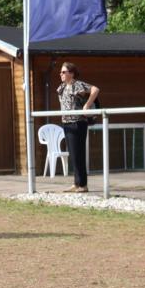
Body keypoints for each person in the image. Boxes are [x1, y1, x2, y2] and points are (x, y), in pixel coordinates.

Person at [56, 62, 99, 193]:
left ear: (71, 73)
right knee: (73, 154)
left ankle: (83, 185)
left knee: (78, 153)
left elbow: (95, 89)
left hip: (78, 122)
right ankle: (76, 183)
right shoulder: (62, 87)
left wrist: (87, 105)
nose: (61, 74)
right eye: (60, 72)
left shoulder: (78, 85)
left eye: (64, 72)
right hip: (67, 123)